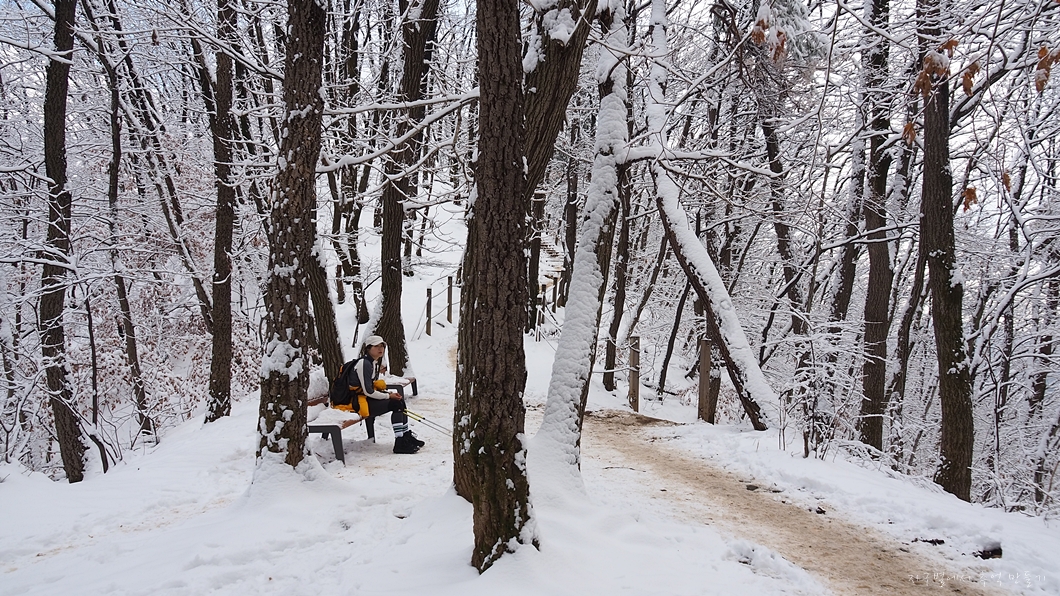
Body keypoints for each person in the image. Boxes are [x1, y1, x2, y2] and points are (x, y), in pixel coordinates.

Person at [358, 335, 424, 454]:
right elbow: (368, 391)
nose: (380, 349)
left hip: (364, 399)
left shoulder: (372, 362)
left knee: (399, 400)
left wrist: (387, 394)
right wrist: (388, 396)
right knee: (396, 404)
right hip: (357, 403)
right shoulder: (364, 364)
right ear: (368, 348)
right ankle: (400, 442)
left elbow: (370, 388)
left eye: (382, 346)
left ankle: (405, 436)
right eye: (376, 346)